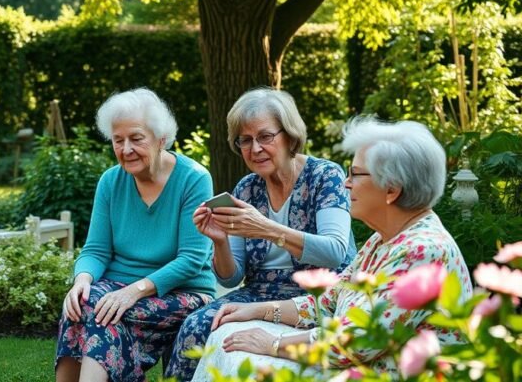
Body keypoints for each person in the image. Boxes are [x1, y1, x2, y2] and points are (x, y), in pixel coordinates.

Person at [191, 117, 473, 379]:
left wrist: (274, 343)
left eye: (355, 174)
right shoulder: (383, 240)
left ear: (392, 189)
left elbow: (356, 342)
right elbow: (329, 301)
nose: (346, 183)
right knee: (229, 337)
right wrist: (258, 310)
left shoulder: (422, 251)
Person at [167, 88, 355, 380]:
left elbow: (334, 252)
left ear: (290, 136)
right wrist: (219, 241)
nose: (255, 149)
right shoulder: (247, 188)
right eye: (245, 140)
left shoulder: (325, 176)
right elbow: (230, 277)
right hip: (259, 291)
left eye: (265, 137)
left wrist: (265, 228)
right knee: (196, 325)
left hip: (319, 294)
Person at [56, 88, 216, 382]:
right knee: (81, 304)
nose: (126, 149)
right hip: (118, 287)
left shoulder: (194, 179)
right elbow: (95, 250)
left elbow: (192, 259)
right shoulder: (110, 181)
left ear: (161, 139)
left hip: (182, 292)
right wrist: (81, 282)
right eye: (118, 140)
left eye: (136, 138)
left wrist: (133, 292)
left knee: (101, 310)